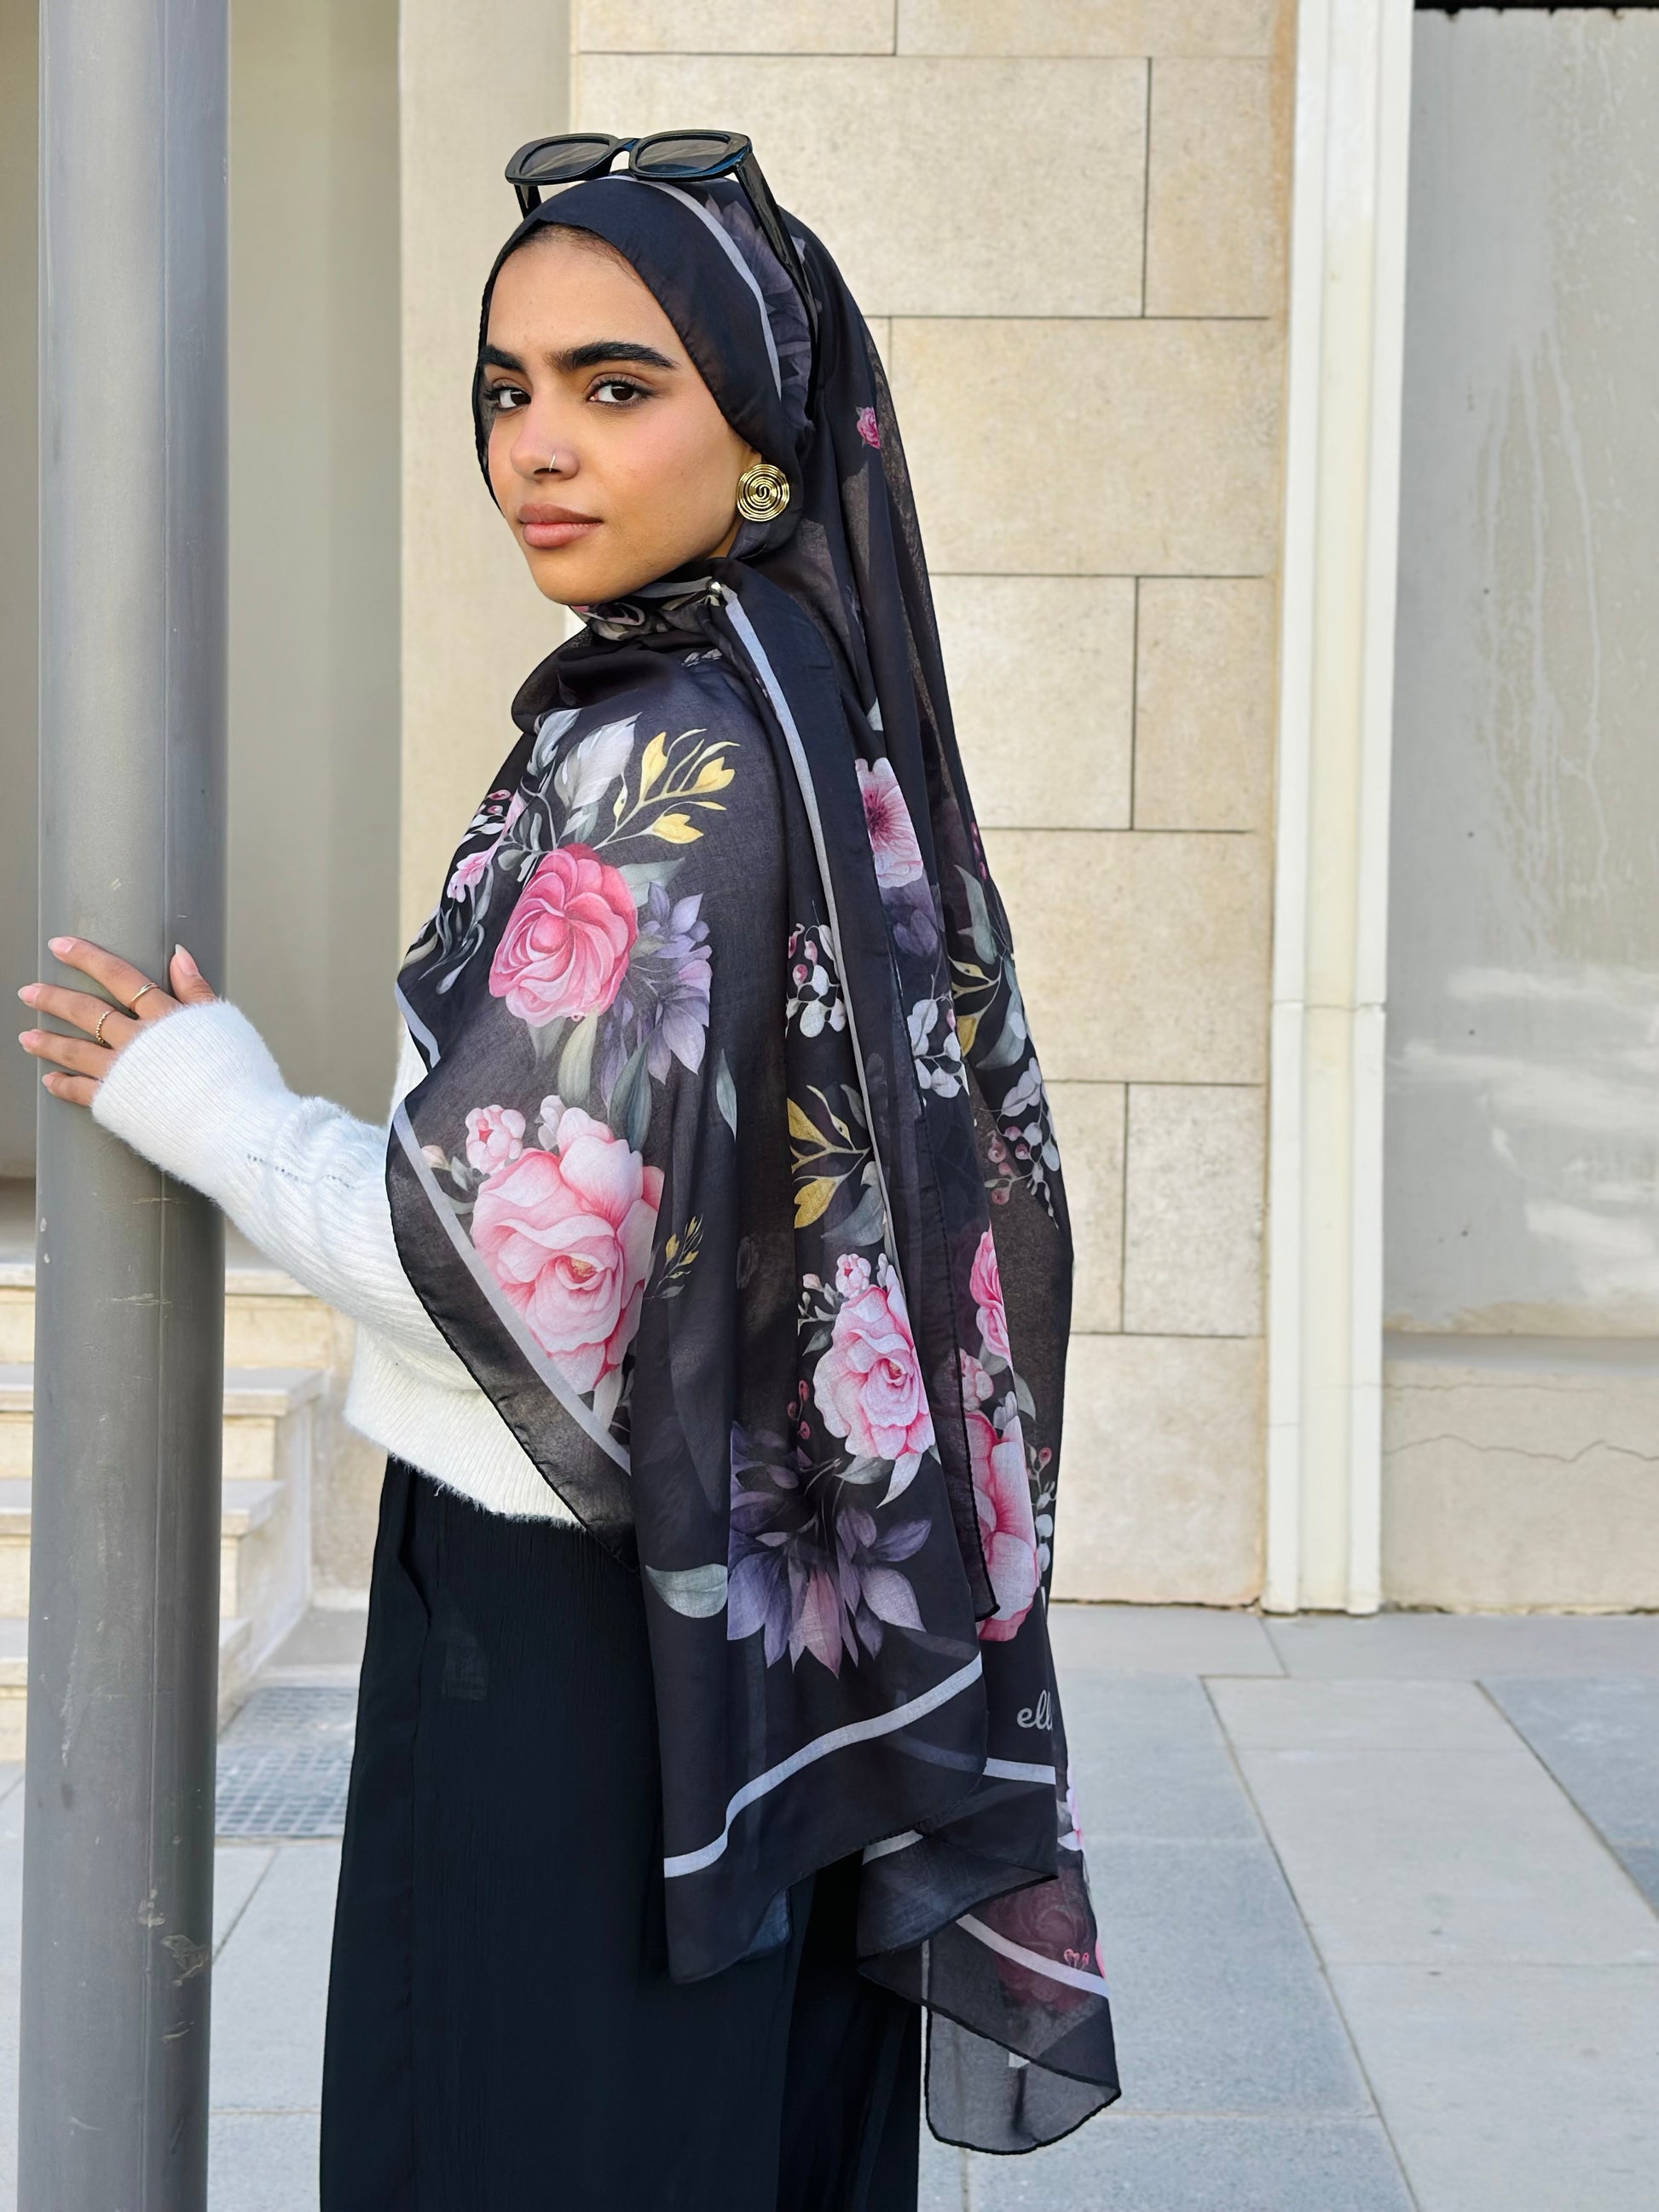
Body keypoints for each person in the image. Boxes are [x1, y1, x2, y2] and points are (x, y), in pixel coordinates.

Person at [17, 132, 1119, 2209]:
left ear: (760, 427)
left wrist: (200, 1093)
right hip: (791, 1618)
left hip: (575, 1619)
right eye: (506, 388)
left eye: (618, 387)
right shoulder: (815, 704)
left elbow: (489, 1256)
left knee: (511, 2142)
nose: (538, 444)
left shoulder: (665, 746)